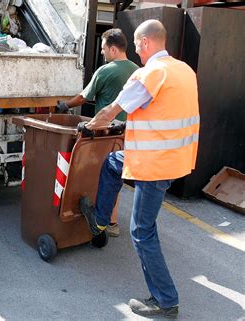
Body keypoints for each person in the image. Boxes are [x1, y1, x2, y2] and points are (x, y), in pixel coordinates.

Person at [78, 19, 199, 318]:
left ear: (145, 43)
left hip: (153, 164)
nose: (135, 49)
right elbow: (161, 111)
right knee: (112, 163)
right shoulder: (183, 70)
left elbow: (111, 110)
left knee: (142, 232)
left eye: (136, 44)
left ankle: (165, 300)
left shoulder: (150, 74)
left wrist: (89, 127)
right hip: (175, 159)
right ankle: (101, 220)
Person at [58, 28, 138, 237]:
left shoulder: (106, 70)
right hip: (129, 133)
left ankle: (93, 218)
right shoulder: (138, 70)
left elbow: (84, 97)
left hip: (105, 132)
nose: (102, 53)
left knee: (96, 174)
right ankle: (112, 222)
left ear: (113, 48)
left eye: (103, 49)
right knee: (116, 177)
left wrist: (65, 105)